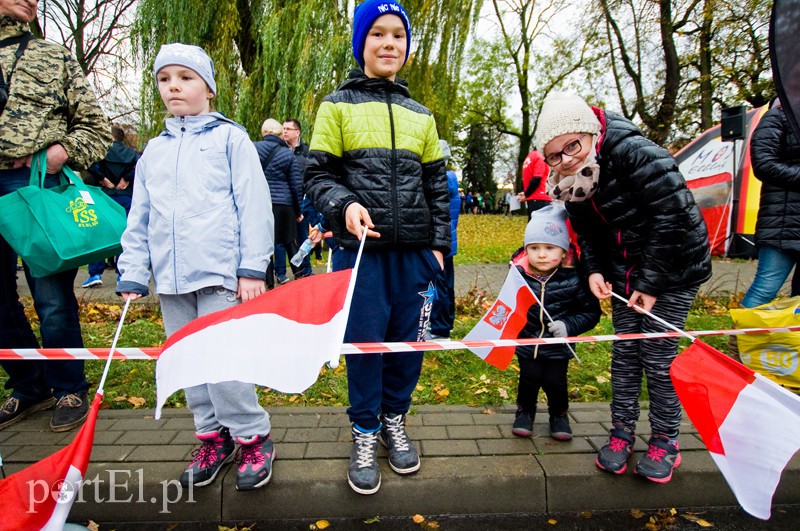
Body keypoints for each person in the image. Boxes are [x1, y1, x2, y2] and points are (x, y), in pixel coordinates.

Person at [305, 0, 450, 495]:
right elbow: (316, 174)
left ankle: (395, 420)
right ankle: (365, 431)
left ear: (407, 46)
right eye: (378, 35)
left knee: (409, 346)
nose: (389, 44)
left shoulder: (421, 115)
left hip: (414, 259)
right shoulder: (336, 105)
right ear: (361, 44)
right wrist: (343, 205)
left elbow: (437, 188)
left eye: (398, 35)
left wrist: (438, 249)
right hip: (359, 253)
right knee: (365, 346)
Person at [116, 43, 275, 492]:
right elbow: (139, 216)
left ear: (208, 86)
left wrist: (251, 268)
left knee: (224, 363)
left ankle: (252, 437)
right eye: (165, 80)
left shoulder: (231, 139)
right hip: (171, 279)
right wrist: (132, 269)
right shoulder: (154, 151)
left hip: (221, 275)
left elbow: (254, 205)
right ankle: (212, 437)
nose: (173, 87)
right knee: (188, 364)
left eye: (184, 78)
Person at [535, 92, 711, 483]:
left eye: (572, 146)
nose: (567, 159)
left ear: (589, 132)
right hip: (624, 269)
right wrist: (594, 271)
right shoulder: (569, 179)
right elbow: (587, 230)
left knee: (658, 356)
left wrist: (650, 283)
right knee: (626, 352)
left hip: (674, 267)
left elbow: (672, 215)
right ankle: (622, 433)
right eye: (554, 155)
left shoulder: (634, 151)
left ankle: (665, 440)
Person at [0, 0, 110, 432]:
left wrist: (60, 153)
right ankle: (28, 385)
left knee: (50, 296)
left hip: (33, 184)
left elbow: (95, 127)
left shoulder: (52, 54)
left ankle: (68, 386)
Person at [509, 203, 600, 440]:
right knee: (528, 379)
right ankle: (524, 412)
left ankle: (559, 415)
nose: (541, 254)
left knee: (555, 382)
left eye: (549, 248)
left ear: (563, 252)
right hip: (527, 342)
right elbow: (508, 306)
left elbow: (590, 313)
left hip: (558, 346)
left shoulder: (575, 279)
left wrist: (569, 326)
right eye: (534, 247)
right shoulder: (519, 277)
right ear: (526, 250)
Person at [738, 101, 800, 309]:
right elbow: (764, 164)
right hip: (781, 223)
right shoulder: (777, 116)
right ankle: (738, 340)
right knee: (765, 288)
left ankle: (793, 340)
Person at [82, 125, 139, 288]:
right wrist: (127, 179)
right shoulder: (132, 153)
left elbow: (90, 163)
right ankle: (123, 274)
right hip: (125, 196)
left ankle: (95, 273)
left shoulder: (101, 151)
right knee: (126, 235)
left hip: (104, 197)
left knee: (99, 233)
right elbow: (140, 166)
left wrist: (102, 178)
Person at [254, 118, 304, 286]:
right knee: (290, 242)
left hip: (262, 204)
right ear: (279, 134)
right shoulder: (287, 154)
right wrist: (298, 212)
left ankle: (269, 284)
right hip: (285, 205)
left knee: (265, 245)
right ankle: (300, 276)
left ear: (264, 133)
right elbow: (295, 185)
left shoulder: (252, 149)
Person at [429, 140, 460, 339]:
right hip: (449, 241)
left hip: (438, 241)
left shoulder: (438, 182)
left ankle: (439, 329)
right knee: (447, 284)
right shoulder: (452, 181)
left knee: (438, 286)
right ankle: (446, 323)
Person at [519, 149, 551, 218]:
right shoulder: (540, 156)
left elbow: (527, 178)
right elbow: (537, 178)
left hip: (532, 199)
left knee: (533, 225)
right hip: (541, 198)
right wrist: (526, 194)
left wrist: (526, 193)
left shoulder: (529, 157)